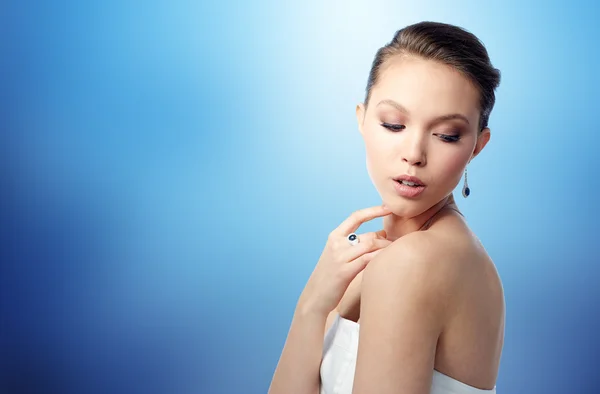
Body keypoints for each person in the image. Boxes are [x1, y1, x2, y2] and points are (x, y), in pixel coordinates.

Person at [268, 21, 505, 394]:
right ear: (361, 119)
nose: (413, 154)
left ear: (477, 145)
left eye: (446, 135)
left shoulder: (415, 262)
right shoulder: (380, 257)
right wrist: (313, 304)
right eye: (394, 125)